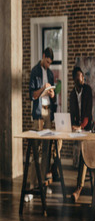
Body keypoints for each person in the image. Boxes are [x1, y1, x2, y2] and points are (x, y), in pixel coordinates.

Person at [27, 47, 56, 201]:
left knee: (46, 151)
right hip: (38, 114)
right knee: (35, 151)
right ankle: (32, 186)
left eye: (50, 63)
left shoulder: (50, 73)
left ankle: (43, 184)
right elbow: (32, 95)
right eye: (47, 62)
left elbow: (52, 95)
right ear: (43, 56)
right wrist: (43, 88)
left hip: (48, 113)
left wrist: (52, 93)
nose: (48, 65)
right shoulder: (35, 71)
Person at [70, 66, 93, 202]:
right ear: (74, 79)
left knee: (83, 155)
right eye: (78, 77)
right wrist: (73, 125)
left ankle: (78, 188)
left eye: (82, 76)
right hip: (77, 129)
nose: (81, 79)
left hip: (87, 128)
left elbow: (88, 113)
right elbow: (73, 112)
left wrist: (81, 126)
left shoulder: (87, 90)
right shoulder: (72, 94)